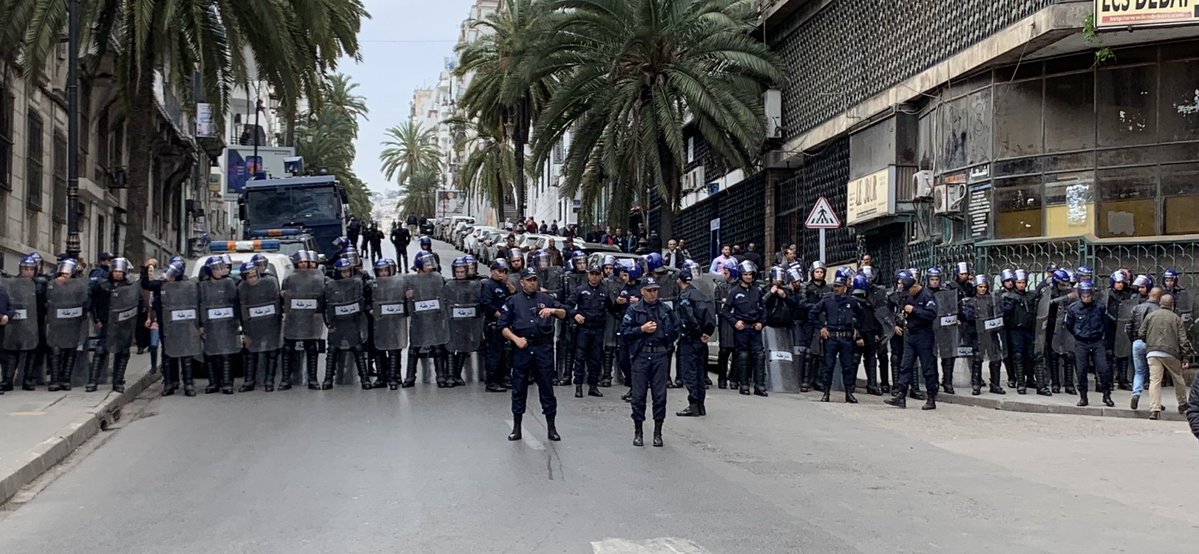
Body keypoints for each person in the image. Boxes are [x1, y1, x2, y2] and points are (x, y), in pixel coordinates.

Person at [500, 268, 566, 442]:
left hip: (542, 349)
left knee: (547, 389)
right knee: (519, 389)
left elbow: (564, 313)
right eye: (528, 280)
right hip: (522, 348)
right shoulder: (513, 301)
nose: (532, 283)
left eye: (534, 280)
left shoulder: (546, 299)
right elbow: (503, 326)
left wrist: (552, 311)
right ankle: (517, 427)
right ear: (522, 282)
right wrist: (515, 339)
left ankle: (551, 428)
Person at [885, 270, 939, 410]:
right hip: (910, 334)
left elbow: (932, 314)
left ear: (915, 285)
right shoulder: (907, 295)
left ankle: (931, 398)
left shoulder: (927, 295)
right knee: (905, 365)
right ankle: (901, 396)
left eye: (909, 290)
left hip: (924, 335)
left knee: (928, 367)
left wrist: (914, 310)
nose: (908, 293)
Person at [810, 268, 865, 403]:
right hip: (831, 337)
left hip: (846, 337)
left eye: (839, 287)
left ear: (845, 288)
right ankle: (826, 393)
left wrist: (857, 329)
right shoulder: (827, 300)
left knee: (847, 367)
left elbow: (861, 316)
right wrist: (821, 327)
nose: (836, 289)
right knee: (828, 366)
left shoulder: (851, 301)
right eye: (835, 286)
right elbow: (813, 313)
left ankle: (848, 394)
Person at [88, 257, 141, 393]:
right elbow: (93, 302)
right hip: (107, 323)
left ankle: (117, 382)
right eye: (115, 271)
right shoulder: (102, 285)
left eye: (120, 271)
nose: (118, 273)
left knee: (122, 352)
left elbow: (136, 305)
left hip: (123, 324)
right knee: (101, 350)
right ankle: (93, 381)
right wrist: (96, 319)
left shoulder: (129, 287)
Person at [1140, 293, 1193, 420]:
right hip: (1171, 353)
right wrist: (1185, 357)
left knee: (1154, 380)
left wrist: (1150, 342)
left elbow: (1141, 333)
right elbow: (1183, 340)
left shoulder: (1151, 316)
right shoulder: (1176, 318)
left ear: (1160, 304)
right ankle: (1182, 403)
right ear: (1172, 305)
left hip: (1153, 351)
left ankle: (1154, 409)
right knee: (1178, 377)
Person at [404, 251, 451, 387]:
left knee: (437, 347)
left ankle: (440, 376)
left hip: (434, 318)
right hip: (418, 319)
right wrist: (408, 295)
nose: (430, 266)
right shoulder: (411, 280)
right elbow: (405, 299)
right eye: (427, 263)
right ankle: (410, 377)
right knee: (414, 348)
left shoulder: (437, 278)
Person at [675, 262, 716, 417]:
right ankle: (700, 405)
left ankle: (693, 404)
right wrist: (707, 332)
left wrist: (698, 332)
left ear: (680, 280)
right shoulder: (700, 294)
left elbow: (688, 317)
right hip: (701, 340)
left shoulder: (686, 296)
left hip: (691, 338)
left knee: (690, 372)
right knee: (699, 372)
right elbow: (710, 315)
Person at [1064, 281, 1112, 407]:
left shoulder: (1100, 307)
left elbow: (1106, 323)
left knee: (1103, 369)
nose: (1086, 298)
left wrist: (1101, 334)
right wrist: (1077, 333)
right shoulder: (1073, 308)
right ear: (1080, 295)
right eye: (1084, 296)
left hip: (1097, 341)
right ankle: (1083, 397)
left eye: (1088, 296)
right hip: (1081, 342)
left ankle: (1106, 395)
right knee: (1081, 371)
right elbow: (1069, 325)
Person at [44, 259, 89, 392]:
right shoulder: (52, 284)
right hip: (57, 323)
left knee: (70, 351)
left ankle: (66, 379)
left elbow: (84, 301)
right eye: (62, 273)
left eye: (67, 274)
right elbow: (48, 300)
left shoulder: (79, 285)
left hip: (72, 322)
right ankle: (55, 379)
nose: (64, 276)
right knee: (56, 350)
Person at [238, 261, 283, 392]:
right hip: (252, 326)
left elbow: (276, 303)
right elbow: (242, 310)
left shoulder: (269, 283)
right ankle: (249, 382)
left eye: (254, 276)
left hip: (270, 324)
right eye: (249, 277)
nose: (252, 279)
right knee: (251, 354)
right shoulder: (242, 288)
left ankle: (269, 381)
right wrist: (245, 332)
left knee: (272, 353)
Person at [1, 254, 44, 391]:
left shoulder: (39, 285)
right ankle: (8, 380)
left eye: (31, 269)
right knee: (12, 351)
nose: (28, 272)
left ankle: (28, 379)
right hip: (16, 322)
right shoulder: (13, 283)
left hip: (33, 322)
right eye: (26, 269)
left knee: (30, 351)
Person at [567, 261, 609, 399]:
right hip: (583, 329)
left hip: (598, 328)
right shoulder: (580, 289)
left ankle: (593, 386)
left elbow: (612, 308)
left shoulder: (604, 291)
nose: (595, 277)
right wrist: (575, 315)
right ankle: (578, 386)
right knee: (580, 358)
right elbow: (568, 306)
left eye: (597, 274)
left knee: (596, 359)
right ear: (588, 274)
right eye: (592, 274)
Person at [724, 260, 766, 396]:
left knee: (759, 355)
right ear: (741, 275)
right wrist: (735, 322)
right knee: (743, 356)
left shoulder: (757, 292)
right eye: (746, 274)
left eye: (750, 274)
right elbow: (725, 311)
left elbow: (763, 309)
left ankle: (759, 386)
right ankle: (744, 385)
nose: (748, 277)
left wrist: (762, 323)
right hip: (742, 329)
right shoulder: (734, 292)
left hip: (755, 328)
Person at [445, 257, 484, 387]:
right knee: (451, 347)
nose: (460, 274)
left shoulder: (472, 285)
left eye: (462, 272)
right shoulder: (449, 285)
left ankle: (457, 375)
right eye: (458, 272)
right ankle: (450, 375)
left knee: (463, 347)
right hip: (453, 321)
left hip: (467, 321)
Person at [480, 259, 516, 392]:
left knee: (504, 354)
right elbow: (487, 304)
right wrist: (501, 317)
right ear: (492, 271)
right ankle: (491, 382)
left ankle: (502, 378)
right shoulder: (488, 285)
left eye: (505, 272)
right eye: (499, 271)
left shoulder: (504, 285)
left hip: (504, 324)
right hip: (493, 323)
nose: (502, 274)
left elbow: (513, 299)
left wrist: (509, 286)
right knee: (493, 353)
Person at [1127, 283, 1160, 409]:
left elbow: (1129, 326)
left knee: (1139, 371)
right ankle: (1156, 401)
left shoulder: (1137, 307)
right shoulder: (1158, 310)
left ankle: (1135, 394)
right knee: (1155, 375)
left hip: (1137, 341)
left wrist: (1134, 340)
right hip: (1152, 343)